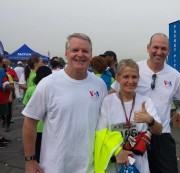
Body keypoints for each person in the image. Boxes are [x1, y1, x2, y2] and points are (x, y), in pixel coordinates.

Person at [22, 33, 107, 173]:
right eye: (75, 50)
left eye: (85, 51)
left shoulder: (99, 85)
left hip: (90, 167)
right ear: (66, 54)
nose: (80, 54)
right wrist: (30, 160)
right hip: (54, 167)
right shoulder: (48, 84)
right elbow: (29, 122)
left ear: (91, 55)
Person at [111, 33, 180, 173]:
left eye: (163, 49)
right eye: (155, 47)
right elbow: (113, 92)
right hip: (134, 134)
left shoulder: (175, 75)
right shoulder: (135, 69)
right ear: (148, 48)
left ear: (168, 51)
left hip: (161, 134)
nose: (159, 52)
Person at [97, 59, 163, 172]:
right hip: (115, 163)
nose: (130, 81)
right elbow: (101, 132)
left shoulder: (146, 101)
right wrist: (118, 152)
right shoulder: (108, 101)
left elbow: (159, 130)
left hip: (139, 165)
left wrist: (149, 120)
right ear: (117, 78)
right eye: (126, 77)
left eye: (134, 77)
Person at [23, 66, 52, 163]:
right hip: (48, 128)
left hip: (34, 128)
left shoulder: (31, 89)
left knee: (36, 152)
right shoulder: (51, 89)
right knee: (48, 153)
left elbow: (27, 108)